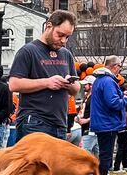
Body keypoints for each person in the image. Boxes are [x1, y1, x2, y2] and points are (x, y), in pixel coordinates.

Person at [8, 10, 80, 140]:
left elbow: (76, 90)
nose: (63, 40)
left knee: (55, 161)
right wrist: (47, 82)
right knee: (34, 161)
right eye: (60, 35)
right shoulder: (28, 51)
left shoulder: (66, 54)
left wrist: (69, 84)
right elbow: (13, 84)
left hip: (60, 123)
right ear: (48, 26)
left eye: (67, 37)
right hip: (34, 122)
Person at [88, 57, 127, 175]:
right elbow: (113, 103)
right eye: (119, 67)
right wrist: (126, 100)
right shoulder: (108, 82)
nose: (120, 70)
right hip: (108, 124)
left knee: (103, 155)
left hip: (102, 123)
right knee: (106, 157)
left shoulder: (98, 81)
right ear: (115, 66)